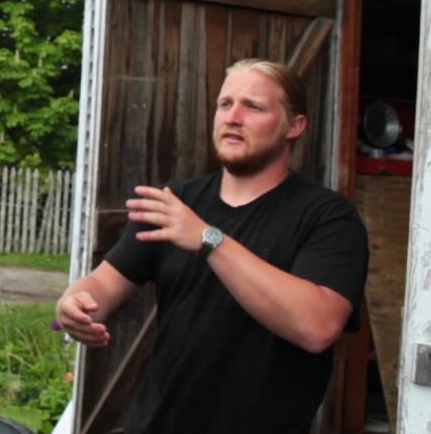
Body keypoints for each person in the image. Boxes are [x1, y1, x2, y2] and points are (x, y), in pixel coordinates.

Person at [56, 58, 368, 433]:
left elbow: (317, 326)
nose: (232, 117)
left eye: (253, 107)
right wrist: (74, 303)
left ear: (294, 126)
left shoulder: (327, 218)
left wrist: (209, 240)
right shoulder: (176, 203)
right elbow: (105, 283)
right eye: (225, 104)